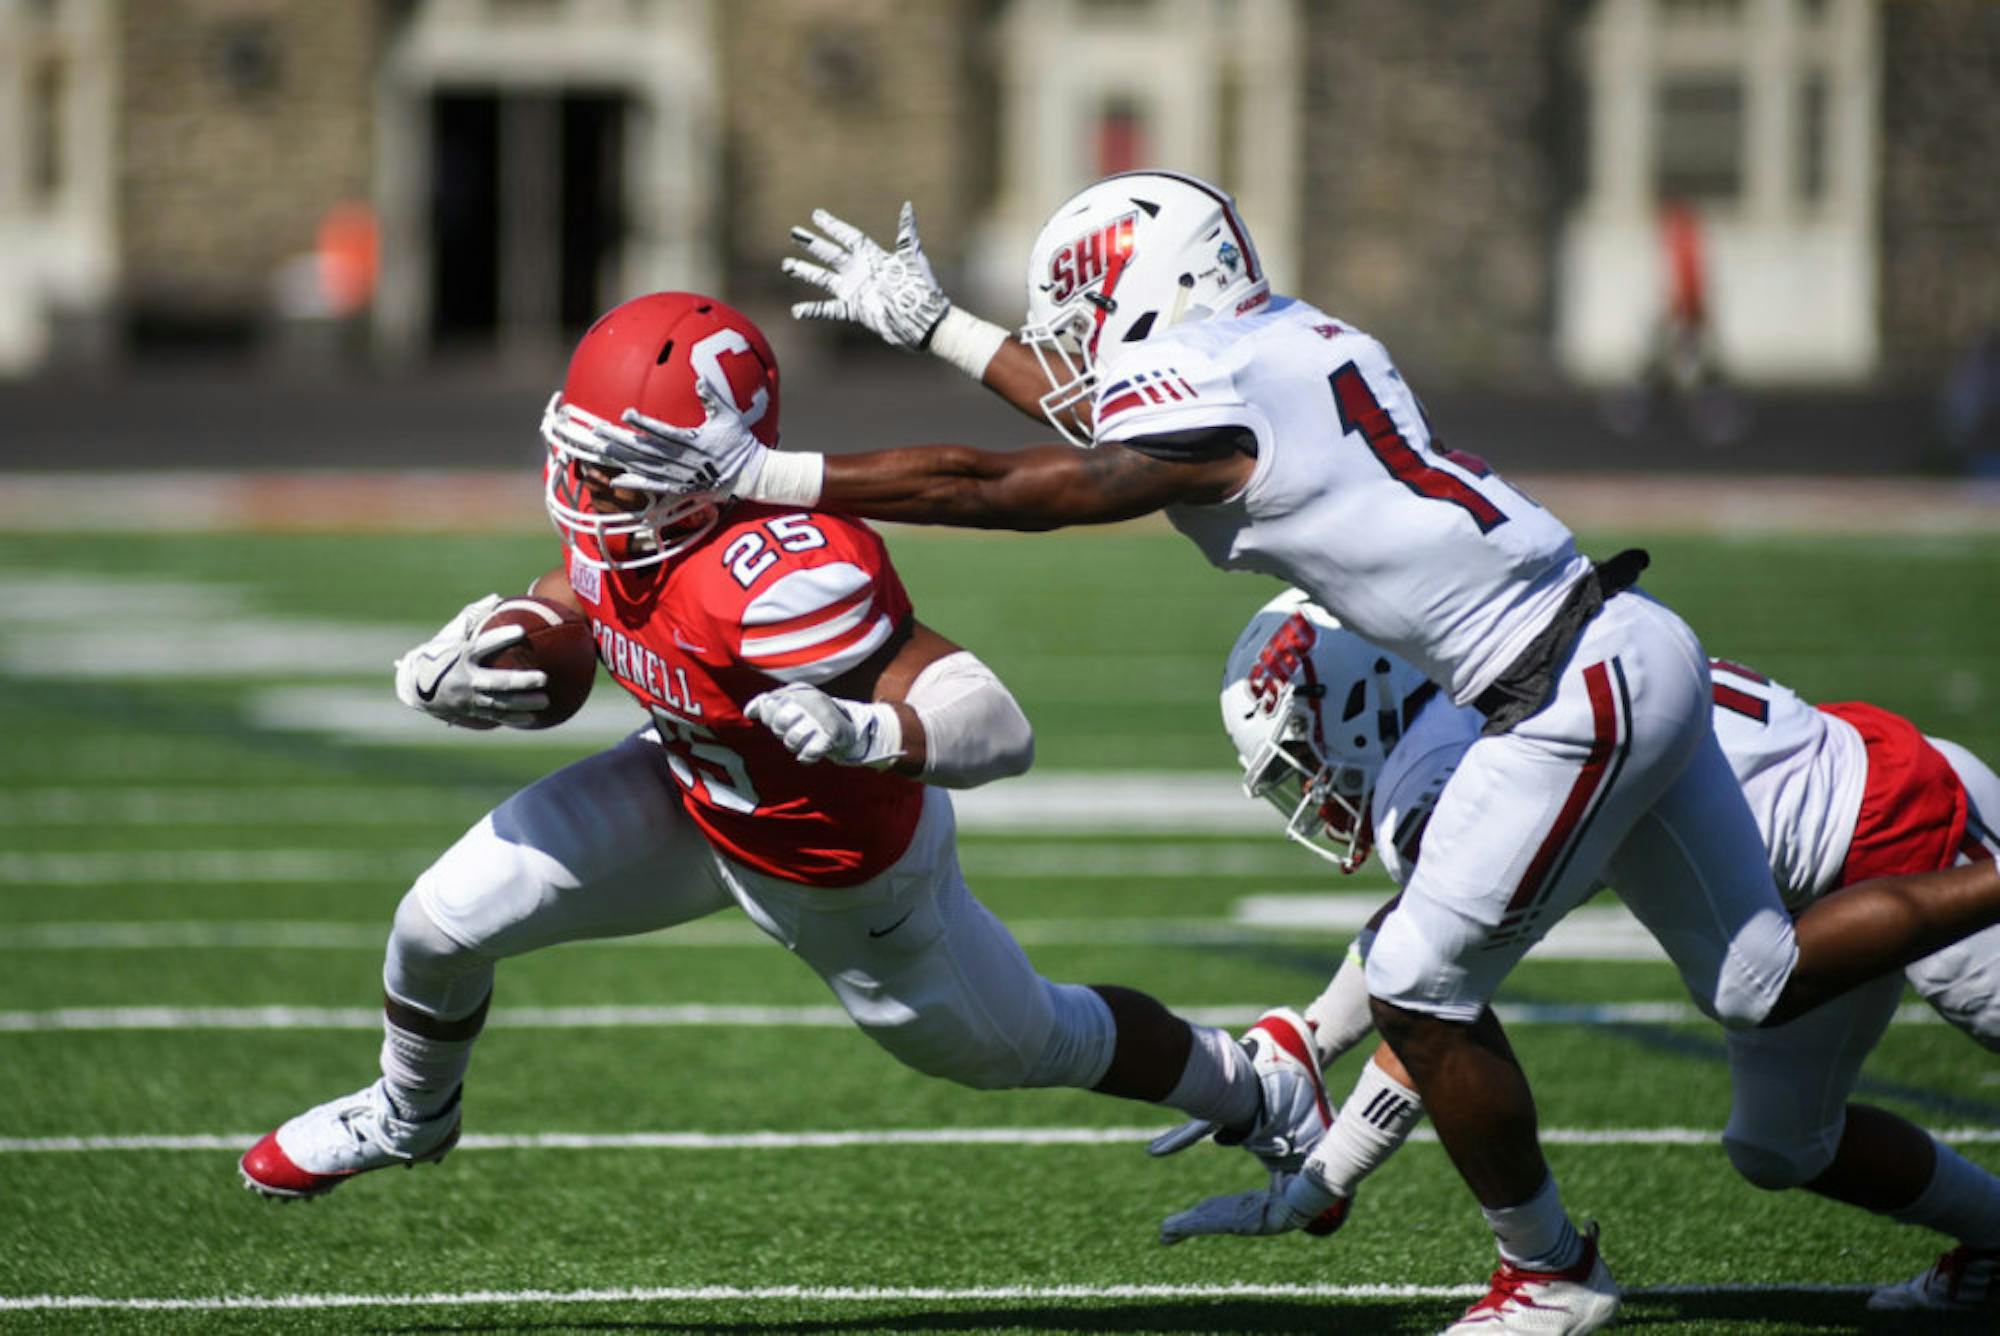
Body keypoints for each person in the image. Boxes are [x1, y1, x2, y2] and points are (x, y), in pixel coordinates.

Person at [586, 174, 2000, 1334]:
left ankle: (1550, 1272)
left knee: (1423, 976)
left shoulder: (1217, 388)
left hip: (1561, 684)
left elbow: (1023, 483)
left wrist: (761, 472)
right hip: (1622, 639)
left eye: (1079, 307)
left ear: (1150, 277)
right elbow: (1106, 431)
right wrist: (950, 330)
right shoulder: (1293, 343)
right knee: (1752, 981)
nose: (1076, 337)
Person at [236, 292, 1334, 1203]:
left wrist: (867, 727)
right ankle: (407, 1112)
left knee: (1027, 1043)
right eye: (583, 455)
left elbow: (998, 727)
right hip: (688, 792)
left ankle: (1252, 1082)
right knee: (436, 921)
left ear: (711, 466)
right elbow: (580, 599)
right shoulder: (629, 513)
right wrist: (486, 653)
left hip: (847, 876)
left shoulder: (779, 576)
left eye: (622, 468)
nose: (587, 489)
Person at [1156, 590, 2000, 1319]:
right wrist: (1307, 1038)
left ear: (1364, 698)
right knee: (1782, 1145)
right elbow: (1426, 944)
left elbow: (1437, 1000)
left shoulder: (1456, 767)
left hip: (1897, 820)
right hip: (1785, 893)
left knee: (1751, 994)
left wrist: (1326, 1175)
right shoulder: (1469, 705)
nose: (1312, 788)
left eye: (1305, 756)